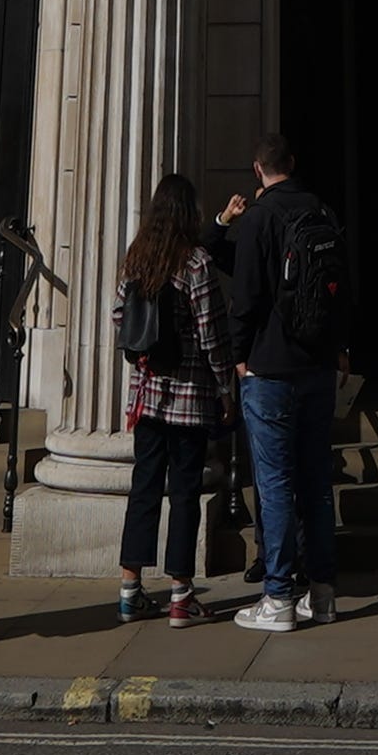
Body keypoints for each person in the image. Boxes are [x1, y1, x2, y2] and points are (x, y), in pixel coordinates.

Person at [217, 132, 345, 631]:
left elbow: (245, 297)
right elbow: (340, 289)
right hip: (317, 365)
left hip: (270, 366)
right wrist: (338, 348)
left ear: (258, 171)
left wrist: (240, 356)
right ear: (292, 163)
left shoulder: (259, 218)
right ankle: (324, 593)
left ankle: (278, 597)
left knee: (274, 484)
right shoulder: (323, 211)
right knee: (317, 482)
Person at [111, 171, 227, 624]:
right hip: (189, 397)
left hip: (147, 394)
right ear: (188, 213)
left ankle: (129, 589)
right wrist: (224, 386)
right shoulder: (196, 262)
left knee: (143, 489)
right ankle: (181, 594)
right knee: (183, 492)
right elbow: (212, 331)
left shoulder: (138, 257)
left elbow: (119, 315)